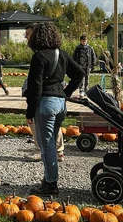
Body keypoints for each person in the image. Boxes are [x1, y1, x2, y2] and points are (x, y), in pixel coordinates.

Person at [26, 22, 84, 196]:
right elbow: (79, 73)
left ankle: (51, 184)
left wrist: (29, 112)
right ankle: (48, 178)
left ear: (37, 37)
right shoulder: (62, 54)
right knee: (52, 140)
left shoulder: (39, 57)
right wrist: (65, 92)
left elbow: (35, 87)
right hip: (60, 104)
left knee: (47, 145)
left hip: (46, 104)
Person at [23, 23, 65, 163]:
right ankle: (56, 151)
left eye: (28, 34)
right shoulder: (54, 52)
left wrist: (30, 108)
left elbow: (37, 85)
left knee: (43, 130)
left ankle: (50, 180)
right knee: (52, 125)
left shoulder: (41, 55)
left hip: (44, 99)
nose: (26, 37)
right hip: (56, 98)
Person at [73, 34, 97, 99]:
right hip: (80, 66)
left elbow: (93, 56)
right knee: (81, 79)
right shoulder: (78, 48)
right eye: (83, 41)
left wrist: (93, 64)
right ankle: (81, 90)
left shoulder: (90, 48)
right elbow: (74, 57)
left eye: (85, 41)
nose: (84, 42)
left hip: (87, 66)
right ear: (81, 41)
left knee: (87, 79)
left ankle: (86, 90)